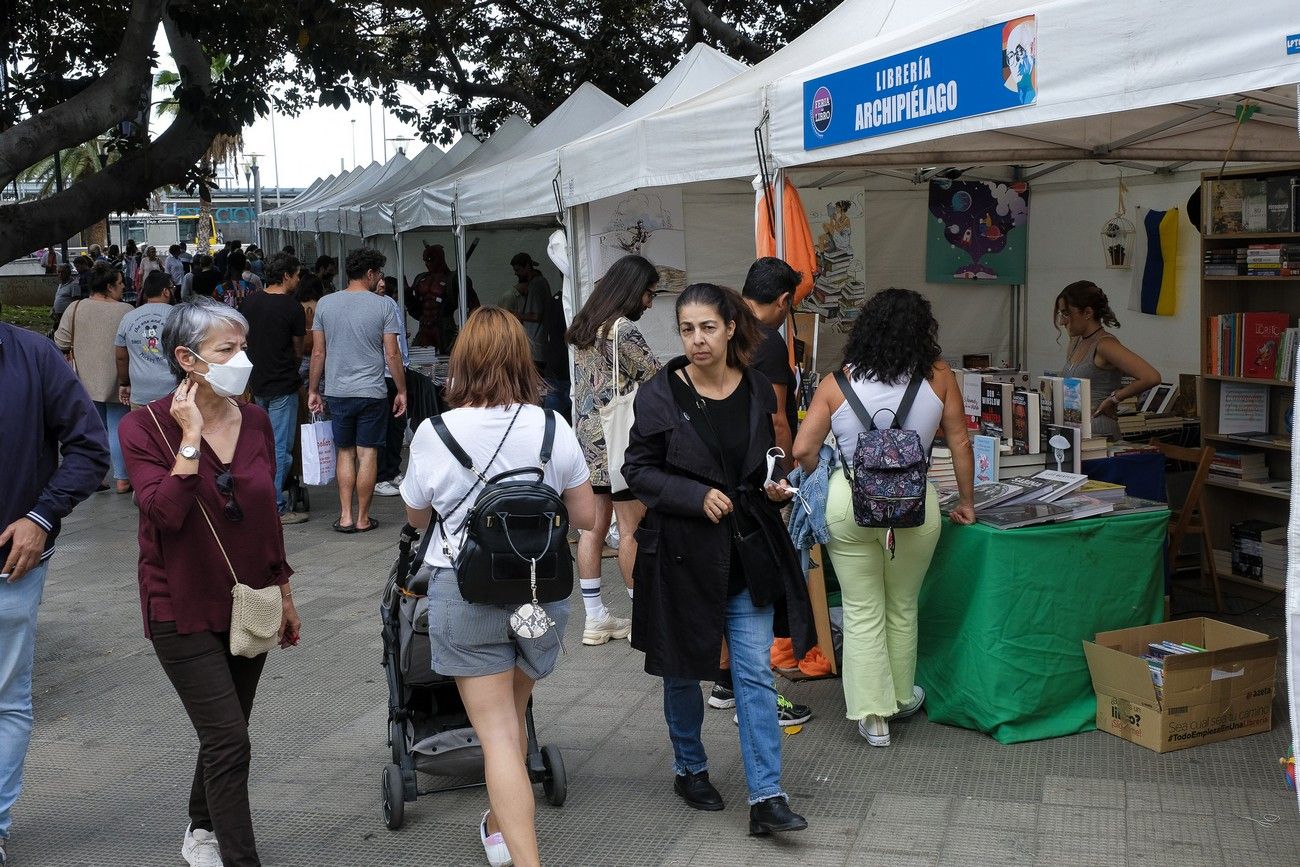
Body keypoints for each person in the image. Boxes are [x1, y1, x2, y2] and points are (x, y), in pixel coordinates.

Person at [400, 307, 596, 867]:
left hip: (466, 593)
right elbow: (583, 515)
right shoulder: (552, 426)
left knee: (498, 739)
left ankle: (526, 859)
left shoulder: (435, 432)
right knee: (510, 727)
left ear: (462, 361)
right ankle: (498, 824)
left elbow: (416, 517)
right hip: (540, 591)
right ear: (522, 359)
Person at [622, 282, 813, 836]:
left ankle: (767, 797)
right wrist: (693, 495)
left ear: (731, 328)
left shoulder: (756, 387)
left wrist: (774, 484)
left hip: (744, 552)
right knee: (682, 669)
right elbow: (638, 469)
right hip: (681, 553)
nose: (698, 339)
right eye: (687, 329)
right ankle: (690, 766)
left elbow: (764, 458)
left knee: (753, 671)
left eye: (708, 327)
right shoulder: (660, 393)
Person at [119, 299, 301, 867]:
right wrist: (191, 437)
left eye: (241, 348)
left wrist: (285, 593)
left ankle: (201, 827)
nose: (241, 361)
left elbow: (267, 516)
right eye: (228, 350)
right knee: (228, 738)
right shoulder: (142, 427)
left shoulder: (257, 421)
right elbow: (164, 514)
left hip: (250, 600)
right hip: (178, 599)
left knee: (227, 730)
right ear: (186, 359)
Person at [793, 288, 976, 748]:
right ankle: (899, 696)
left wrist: (830, 477)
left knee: (860, 608)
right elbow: (960, 443)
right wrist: (967, 501)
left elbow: (801, 450)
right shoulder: (940, 377)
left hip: (848, 505)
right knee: (902, 604)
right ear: (923, 332)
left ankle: (872, 717)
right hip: (916, 507)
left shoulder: (838, 383)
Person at [0, 317, 109, 867]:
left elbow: (91, 448)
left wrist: (40, 516)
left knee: (5, 699)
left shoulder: (33, 357)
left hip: (10, 569)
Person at [566, 255, 661, 645]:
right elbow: (656, 376)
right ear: (632, 290)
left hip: (588, 436)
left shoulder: (586, 325)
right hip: (620, 440)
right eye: (649, 293)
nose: (650, 302)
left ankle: (595, 618)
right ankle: (645, 618)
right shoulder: (621, 330)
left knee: (593, 527)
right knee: (631, 528)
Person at [307, 248, 406, 533]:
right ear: (371, 274)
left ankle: (345, 516)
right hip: (372, 392)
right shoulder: (384, 305)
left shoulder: (325, 303)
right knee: (368, 454)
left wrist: (314, 389)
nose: (381, 280)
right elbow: (393, 355)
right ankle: (363, 518)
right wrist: (401, 390)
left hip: (337, 392)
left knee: (345, 452)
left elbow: (318, 353)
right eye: (380, 274)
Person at [54, 264, 134, 494]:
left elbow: (61, 342)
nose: (123, 287)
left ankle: (96, 478)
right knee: (117, 427)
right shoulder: (126, 310)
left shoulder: (75, 308)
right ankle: (122, 479)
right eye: (120, 284)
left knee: (93, 431)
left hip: (85, 380)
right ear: (109, 286)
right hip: (119, 380)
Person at [240, 252, 308, 525]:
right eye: (297, 274)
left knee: (260, 444)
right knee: (280, 446)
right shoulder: (292, 308)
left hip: (257, 381)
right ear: (287, 276)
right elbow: (298, 350)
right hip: (282, 383)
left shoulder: (249, 302)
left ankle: (260, 496)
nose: (299, 279)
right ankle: (275, 505)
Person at [1054, 280, 1161, 438]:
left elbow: (1151, 377)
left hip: (1099, 430)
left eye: (1066, 313)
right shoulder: (1076, 341)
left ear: (1088, 313)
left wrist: (1114, 399)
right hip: (1075, 429)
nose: (1062, 321)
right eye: (1060, 314)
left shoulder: (1105, 345)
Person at [116, 271, 178, 410]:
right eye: (172, 288)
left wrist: (124, 383)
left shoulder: (129, 317)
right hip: (174, 394)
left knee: (142, 432)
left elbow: (121, 357)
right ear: (165, 291)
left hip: (140, 394)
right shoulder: (180, 316)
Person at [373, 276, 410, 498]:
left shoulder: (390, 303)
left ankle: (393, 470)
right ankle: (380, 475)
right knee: (383, 426)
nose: (381, 283)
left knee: (397, 424)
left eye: (382, 278)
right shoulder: (370, 306)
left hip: (397, 370)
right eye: (376, 278)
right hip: (381, 373)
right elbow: (389, 349)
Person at [404, 244, 477, 351]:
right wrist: (407, 295)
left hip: (444, 328)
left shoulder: (454, 278)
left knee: (450, 359)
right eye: (425, 260)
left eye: (430, 259)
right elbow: (415, 307)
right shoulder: (421, 278)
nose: (427, 263)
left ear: (440, 258)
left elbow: (474, 306)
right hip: (424, 327)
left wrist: (466, 330)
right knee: (418, 360)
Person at [509, 253, 551, 366]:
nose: (516, 273)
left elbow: (536, 315)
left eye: (518, 270)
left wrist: (516, 315)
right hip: (538, 345)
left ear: (527, 267)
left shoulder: (536, 284)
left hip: (535, 346)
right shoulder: (540, 282)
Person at [295, 272, 325, 383]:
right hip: (319, 354)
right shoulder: (322, 305)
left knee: (300, 392)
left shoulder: (296, 305)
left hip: (300, 355)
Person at [50, 262, 79, 326]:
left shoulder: (74, 284)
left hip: (67, 316)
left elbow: (76, 302)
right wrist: (53, 309)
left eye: (63, 272)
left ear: (68, 273)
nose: (60, 274)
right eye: (59, 272)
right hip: (57, 316)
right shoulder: (60, 285)